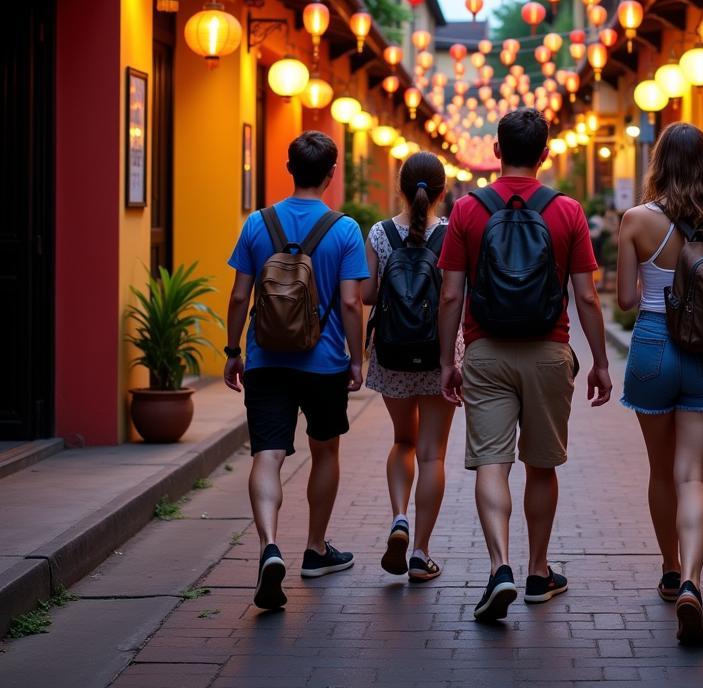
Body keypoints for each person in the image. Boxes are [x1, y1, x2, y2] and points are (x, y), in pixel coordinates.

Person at [437, 107, 613, 623]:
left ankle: (500, 567)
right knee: (542, 465)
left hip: (486, 351)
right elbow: (586, 297)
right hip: (549, 350)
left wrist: (450, 359)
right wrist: (601, 361)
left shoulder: (468, 209)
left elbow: (451, 295)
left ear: (496, 151)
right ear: (544, 154)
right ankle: (539, 571)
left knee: (491, 463)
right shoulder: (567, 211)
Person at [616, 122, 703, 646]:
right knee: (693, 475)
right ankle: (694, 584)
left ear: (658, 163)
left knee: (660, 472)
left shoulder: (636, 220)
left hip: (653, 345)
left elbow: (626, 301)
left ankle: (670, 569)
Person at [223, 131, 368, 611]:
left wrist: (232, 349)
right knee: (324, 451)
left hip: (265, 358)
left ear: (289, 168)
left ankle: (268, 545)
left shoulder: (257, 223)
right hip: (323, 362)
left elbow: (241, 295)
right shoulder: (344, 229)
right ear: (330, 175)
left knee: (267, 454)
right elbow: (351, 302)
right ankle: (315, 548)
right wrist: (358, 356)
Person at [363, 151, 458, 583]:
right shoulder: (454, 234)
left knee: (404, 441)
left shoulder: (380, 234)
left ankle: (399, 517)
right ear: (442, 192)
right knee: (432, 453)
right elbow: (459, 298)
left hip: (394, 356)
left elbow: (367, 295)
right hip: (440, 356)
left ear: (400, 188)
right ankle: (420, 551)